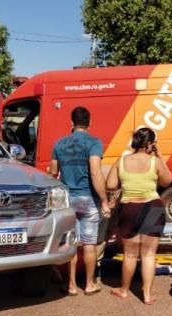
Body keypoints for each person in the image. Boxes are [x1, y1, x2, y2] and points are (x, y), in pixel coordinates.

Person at [105, 128, 172, 305]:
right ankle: (147, 294)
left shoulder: (122, 161)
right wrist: (160, 156)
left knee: (130, 254)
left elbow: (110, 185)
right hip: (153, 207)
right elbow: (167, 181)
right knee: (149, 254)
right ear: (151, 144)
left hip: (130, 209)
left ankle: (124, 290)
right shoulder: (155, 161)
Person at [49, 106, 110, 296]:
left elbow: (52, 173)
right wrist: (105, 200)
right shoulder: (94, 143)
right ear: (90, 123)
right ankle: (90, 284)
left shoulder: (59, 144)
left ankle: (71, 285)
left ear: (71, 123)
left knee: (71, 243)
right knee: (89, 243)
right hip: (88, 199)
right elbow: (95, 172)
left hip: (67, 200)